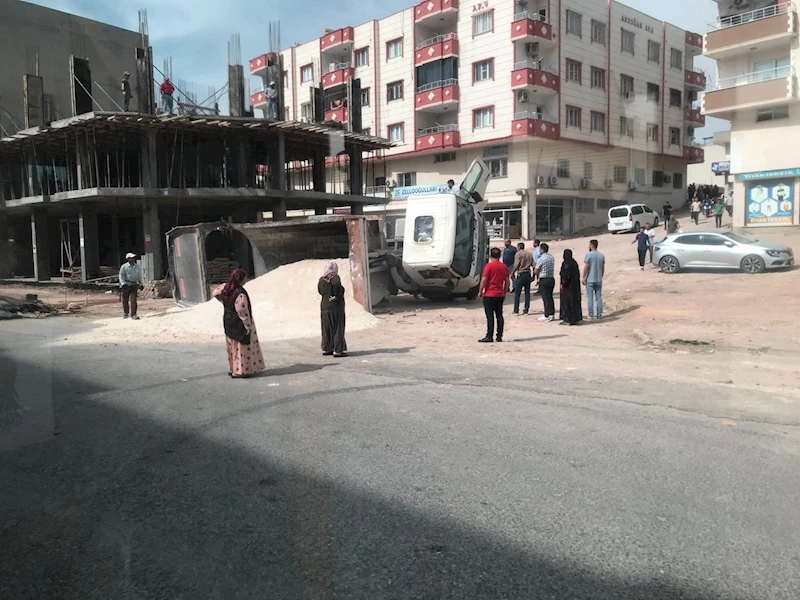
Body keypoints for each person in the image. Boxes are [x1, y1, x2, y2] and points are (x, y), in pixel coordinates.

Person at [213, 269, 265, 378]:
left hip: (228, 320)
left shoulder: (226, 289)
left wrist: (223, 301)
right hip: (238, 322)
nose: (246, 280)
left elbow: (215, 293)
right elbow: (242, 310)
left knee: (232, 346)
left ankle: (234, 369)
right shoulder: (240, 293)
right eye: (244, 278)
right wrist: (247, 325)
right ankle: (241, 371)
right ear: (240, 279)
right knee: (242, 347)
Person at [478, 247, 510, 342]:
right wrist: (504, 292)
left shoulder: (489, 266)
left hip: (489, 293)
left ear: (490, 255)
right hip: (499, 294)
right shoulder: (504, 267)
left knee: (490, 316)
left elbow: (484, 279)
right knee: (499, 315)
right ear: (500, 256)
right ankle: (499, 336)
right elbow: (507, 281)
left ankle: (489, 336)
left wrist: (480, 291)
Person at [318, 261, 347, 357]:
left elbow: (320, 291)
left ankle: (327, 348)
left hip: (324, 308)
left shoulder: (322, 280)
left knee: (326, 328)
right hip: (336, 308)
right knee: (338, 328)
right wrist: (337, 296)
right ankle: (338, 350)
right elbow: (337, 284)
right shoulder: (335, 277)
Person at [582, 239, 605, 320]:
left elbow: (586, 267)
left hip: (590, 279)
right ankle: (599, 314)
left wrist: (583, 277)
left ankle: (591, 315)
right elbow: (602, 268)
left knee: (590, 298)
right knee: (599, 297)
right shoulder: (601, 255)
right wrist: (601, 276)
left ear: (591, 245)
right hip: (598, 279)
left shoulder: (589, 255)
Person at [559, 249, 583, 326]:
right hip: (575, 287)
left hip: (568, 288)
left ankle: (567, 319)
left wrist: (563, 283)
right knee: (574, 302)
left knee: (567, 302)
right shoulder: (574, 263)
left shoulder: (566, 264)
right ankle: (575, 319)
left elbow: (566, 275)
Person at [534, 242, 556, 322]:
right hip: (551, 278)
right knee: (550, 297)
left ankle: (547, 315)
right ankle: (551, 314)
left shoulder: (541, 259)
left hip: (544, 279)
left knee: (545, 298)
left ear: (542, 250)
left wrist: (535, 274)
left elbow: (536, 270)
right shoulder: (551, 257)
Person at [510, 242, 533, 315]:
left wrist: (512, 272)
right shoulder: (529, 254)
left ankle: (516, 310)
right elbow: (534, 265)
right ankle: (526, 310)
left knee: (517, 293)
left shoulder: (518, 254)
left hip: (521, 274)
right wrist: (534, 275)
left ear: (519, 247)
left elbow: (516, 265)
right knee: (527, 293)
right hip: (528, 274)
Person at [118, 252, 142, 320]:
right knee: (125, 300)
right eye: (131, 258)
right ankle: (126, 313)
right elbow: (121, 275)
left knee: (133, 300)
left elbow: (139, 276)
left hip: (134, 285)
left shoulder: (137, 266)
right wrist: (123, 283)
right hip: (126, 285)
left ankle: (134, 314)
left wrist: (140, 284)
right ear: (128, 259)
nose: (133, 259)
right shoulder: (124, 267)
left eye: (134, 257)